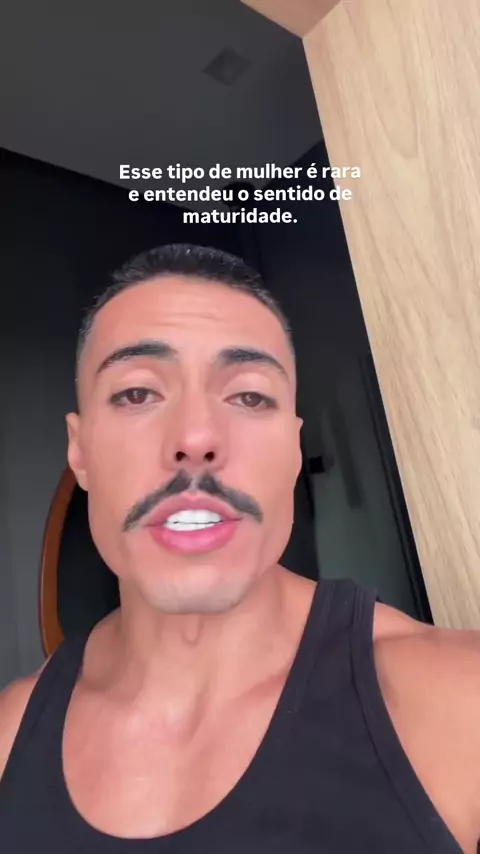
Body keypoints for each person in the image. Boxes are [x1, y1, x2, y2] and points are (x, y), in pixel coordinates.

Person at [0, 243, 478, 854]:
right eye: (138, 393)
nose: (196, 437)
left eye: (249, 396)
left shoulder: (460, 703)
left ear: (293, 450)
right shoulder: (12, 734)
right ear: (80, 451)